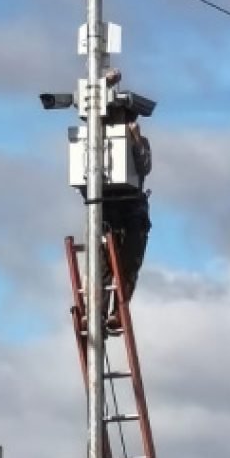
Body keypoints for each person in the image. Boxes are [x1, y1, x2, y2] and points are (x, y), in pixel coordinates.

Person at [101, 102, 152, 331]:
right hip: (107, 208)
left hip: (132, 209)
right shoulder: (97, 139)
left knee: (129, 263)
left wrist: (136, 140)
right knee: (103, 265)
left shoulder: (138, 141)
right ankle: (97, 312)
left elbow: (144, 166)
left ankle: (118, 312)